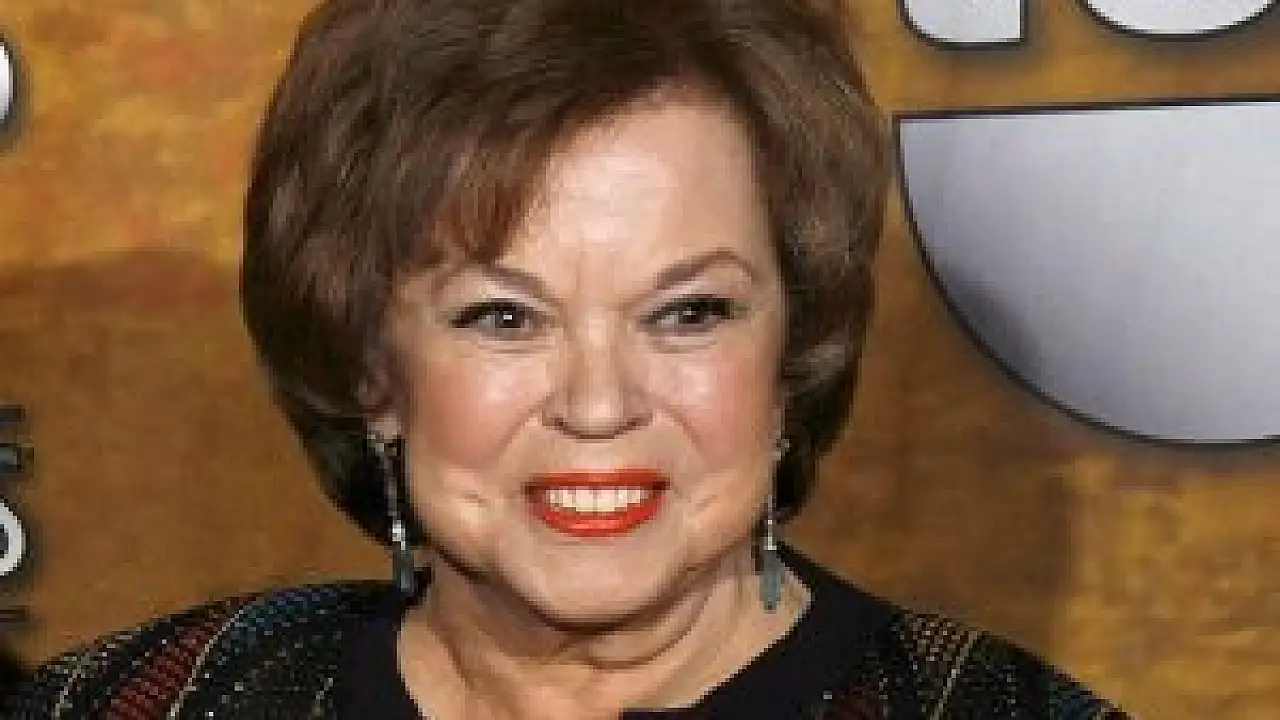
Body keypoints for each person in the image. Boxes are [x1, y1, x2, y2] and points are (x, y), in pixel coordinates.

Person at [6, 0, 1130, 717]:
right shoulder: (139, 702)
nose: (598, 404)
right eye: (504, 318)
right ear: (371, 369)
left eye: (687, 313)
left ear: (792, 354)